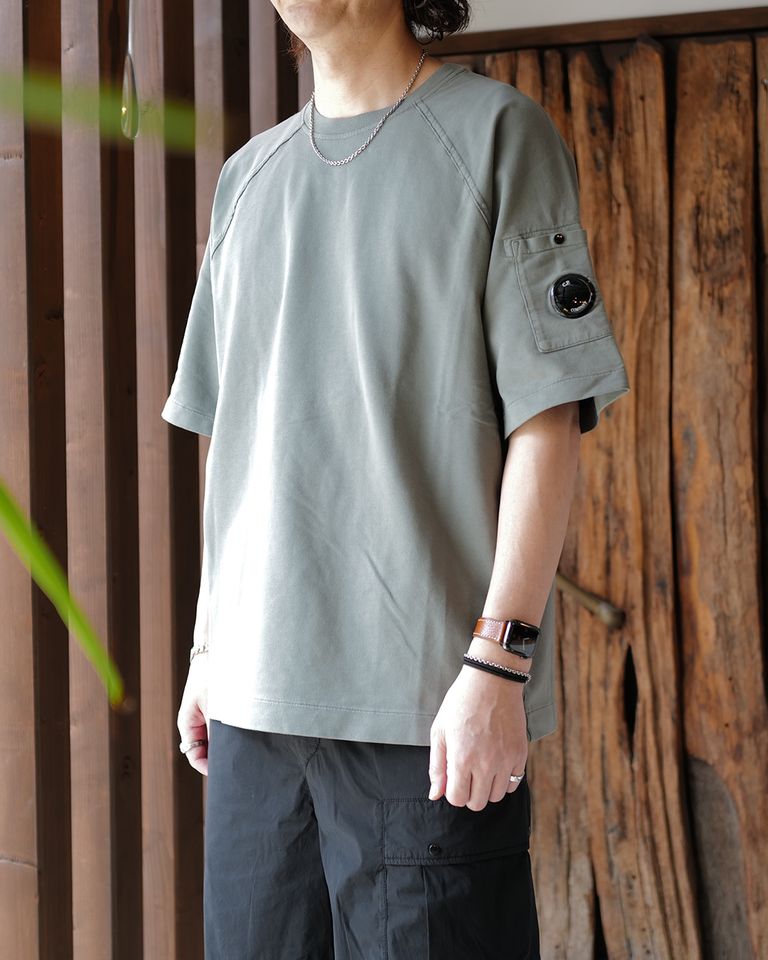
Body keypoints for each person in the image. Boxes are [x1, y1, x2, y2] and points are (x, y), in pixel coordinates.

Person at [163, 1, 631, 957]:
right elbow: (231, 433)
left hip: (426, 715)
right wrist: (209, 645)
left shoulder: (496, 135)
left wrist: (500, 663)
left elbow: (547, 420)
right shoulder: (245, 179)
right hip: (253, 716)